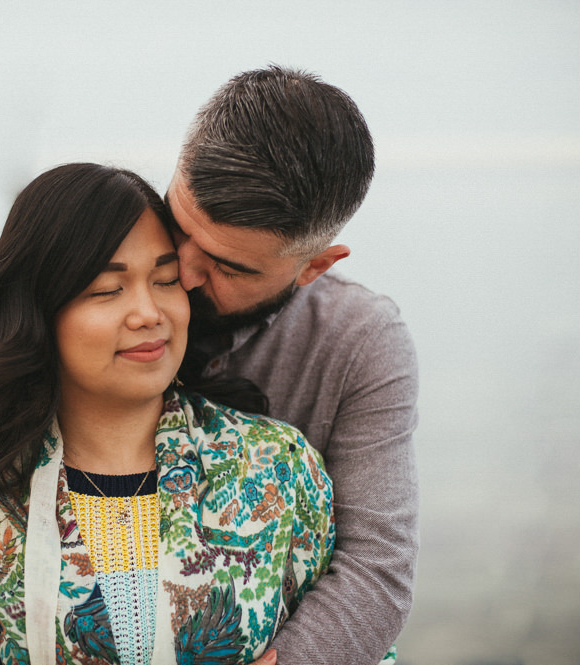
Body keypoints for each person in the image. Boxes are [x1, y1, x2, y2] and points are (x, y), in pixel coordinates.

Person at [0, 163, 335, 664]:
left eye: (165, 281)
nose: (148, 313)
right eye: (106, 289)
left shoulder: (277, 466)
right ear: (40, 311)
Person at [166, 66, 419, 665]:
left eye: (230, 267)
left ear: (315, 266)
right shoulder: (82, 288)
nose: (181, 271)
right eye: (179, 225)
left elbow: (376, 568)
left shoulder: (360, 341)